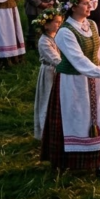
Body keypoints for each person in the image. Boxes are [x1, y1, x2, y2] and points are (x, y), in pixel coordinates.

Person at [40, 0, 100, 176]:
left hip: (95, 79)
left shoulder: (91, 25)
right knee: (77, 118)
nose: (90, 5)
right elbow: (78, 60)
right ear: (73, 7)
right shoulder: (65, 32)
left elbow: (97, 54)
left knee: (99, 117)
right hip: (74, 82)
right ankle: (70, 163)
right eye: (85, 2)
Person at [32, 8, 62, 141]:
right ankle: (45, 132)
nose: (58, 24)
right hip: (49, 72)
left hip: (59, 71)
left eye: (60, 22)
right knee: (48, 99)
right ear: (46, 25)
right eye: (55, 22)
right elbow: (55, 59)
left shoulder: (58, 36)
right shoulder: (44, 41)